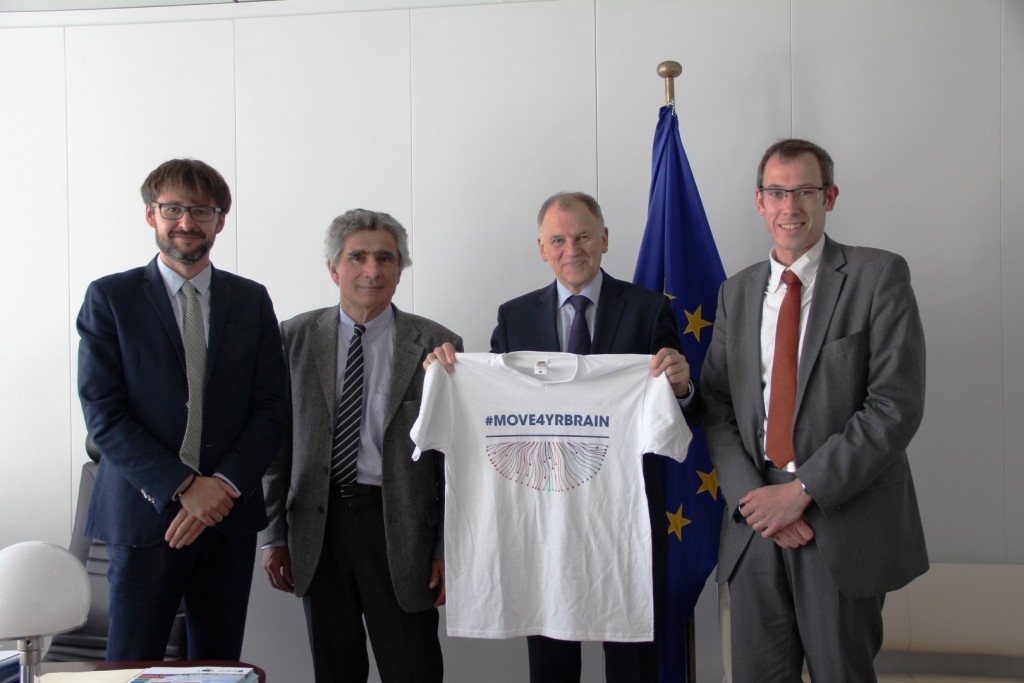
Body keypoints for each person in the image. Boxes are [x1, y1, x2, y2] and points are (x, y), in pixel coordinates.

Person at [426, 191, 694, 683]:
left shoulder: (648, 309)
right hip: (541, 517)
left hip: (621, 513)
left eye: (583, 236)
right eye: (558, 240)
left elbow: (676, 411)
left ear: (604, 239)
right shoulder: (514, 315)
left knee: (632, 653)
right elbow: (494, 402)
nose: (572, 249)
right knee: (551, 660)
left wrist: (681, 387)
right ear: (541, 248)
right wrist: (447, 375)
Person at [701, 138, 928, 681]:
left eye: (805, 191)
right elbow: (716, 404)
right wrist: (758, 503)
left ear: (829, 196)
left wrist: (801, 493)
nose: (791, 206)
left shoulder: (879, 276)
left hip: (839, 521)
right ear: (759, 201)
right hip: (755, 526)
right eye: (778, 192)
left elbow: (894, 406)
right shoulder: (736, 292)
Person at [76, 158, 289, 660]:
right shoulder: (111, 298)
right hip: (144, 515)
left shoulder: (251, 300)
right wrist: (185, 487)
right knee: (133, 666)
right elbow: (103, 414)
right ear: (151, 214)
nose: (187, 222)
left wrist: (222, 487)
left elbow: (272, 408)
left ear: (220, 220)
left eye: (201, 210)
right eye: (173, 209)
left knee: (218, 666)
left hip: (227, 518)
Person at [260, 209, 462, 683]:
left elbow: (453, 463)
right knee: (336, 670)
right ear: (334, 268)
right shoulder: (292, 339)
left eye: (385, 258)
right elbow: (275, 449)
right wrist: (273, 535)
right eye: (358, 257)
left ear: (400, 269)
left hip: (401, 529)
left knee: (413, 669)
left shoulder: (438, 344)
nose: (373, 270)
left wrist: (446, 547)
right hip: (318, 527)